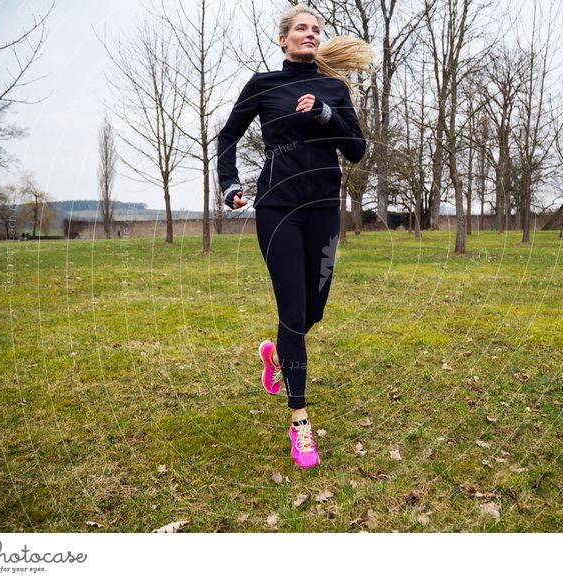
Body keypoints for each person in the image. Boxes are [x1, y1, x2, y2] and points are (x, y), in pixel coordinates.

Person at [217, 4, 373, 469]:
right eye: (302, 28)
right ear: (283, 39)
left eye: (317, 29)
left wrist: (328, 115)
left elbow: (358, 151)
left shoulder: (334, 88)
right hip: (278, 210)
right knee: (292, 310)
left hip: (324, 210)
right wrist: (230, 185)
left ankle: (276, 353)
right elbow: (227, 137)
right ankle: (300, 422)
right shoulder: (263, 85)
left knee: (314, 310)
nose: (311, 34)